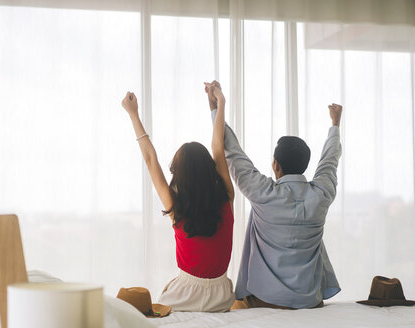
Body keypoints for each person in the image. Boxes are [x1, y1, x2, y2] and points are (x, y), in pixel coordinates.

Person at [204, 80, 343, 309]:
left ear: (275, 165)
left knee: (234, 306)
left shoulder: (263, 193)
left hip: (266, 300)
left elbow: (232, 152)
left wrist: (216, 108)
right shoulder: (321, 195)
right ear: (305, 166)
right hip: (310, 299)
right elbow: (330, 161)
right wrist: (335, 125)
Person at [121, 87, 235, 312]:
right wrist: (220, 103)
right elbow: (218, 149)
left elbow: (150, 159)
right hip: (222, 295)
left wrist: (133, 114)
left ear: (179, 174)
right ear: (209, 169)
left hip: (185, 294)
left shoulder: (177, 207)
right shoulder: (226, 197)